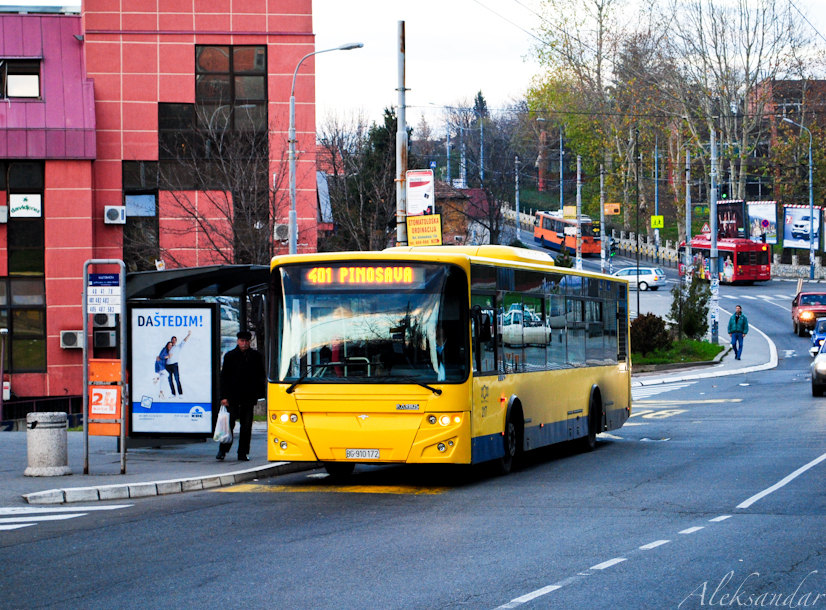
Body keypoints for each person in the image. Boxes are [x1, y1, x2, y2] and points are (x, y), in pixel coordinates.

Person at [216, 330, 266, 461]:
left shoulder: (255, 356)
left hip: (248, 397)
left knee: (246, 426)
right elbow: (224, 378)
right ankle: (223, 450)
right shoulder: (230, 356)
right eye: (242, 341)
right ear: (238, 341)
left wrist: (259, 394)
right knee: (229, 424)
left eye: (246, 341)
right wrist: (223, 397)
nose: (244, 344)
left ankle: (243, 453)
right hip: (232, 396)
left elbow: (260, 376)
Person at [165, 330, 191, 397]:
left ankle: (180, 394)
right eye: (172, 340)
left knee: (177, 379)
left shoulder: (178, 347)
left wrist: (188, 335)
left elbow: (184, 341)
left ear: (176, 341)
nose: (173, 341)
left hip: (174, 365)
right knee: (170, 380)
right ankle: (173, 393)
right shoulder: (167, 347)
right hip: (167, 366)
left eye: (175, 340)